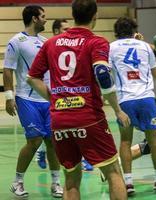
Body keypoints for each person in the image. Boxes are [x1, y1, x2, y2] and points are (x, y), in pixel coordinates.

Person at [27, 0, 130, 199]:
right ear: (95, 16)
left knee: (71, 178)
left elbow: (31, 78)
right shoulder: (96, 41)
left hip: (60, 119)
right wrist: (117, 109)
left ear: (73, 15)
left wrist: (55, 99)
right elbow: (102, 72)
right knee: (113, 171)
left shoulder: (51, 43)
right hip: (88, 116)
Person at [3, 5, 63, 198]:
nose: (46, 20)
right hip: (26, 97)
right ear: (34, 18)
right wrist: (9, 97)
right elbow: (8, 70)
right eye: (43, 16)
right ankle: (18, 181)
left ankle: (55, 183)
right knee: (35, 140)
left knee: (52, 141)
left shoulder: (45, 42)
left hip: (47, 99)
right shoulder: (16, 42)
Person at [109, 17, 156, 195]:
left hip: (125, 100)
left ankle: (128, 183)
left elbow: (107, 74)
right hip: (146, 99)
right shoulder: (145, 47)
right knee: (154, 140)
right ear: (134, 30)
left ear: (117, 32)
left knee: (125, 140)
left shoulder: (110, 48)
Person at [36, 18, 94, 172]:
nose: (69, 32)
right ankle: (42, 151)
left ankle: (84, 158)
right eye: (64, 30)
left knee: (76, 125)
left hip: (68, 92)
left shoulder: (73, 46)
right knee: (50, 131)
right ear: (55, 31)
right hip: (51, 92)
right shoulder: (49, 46)